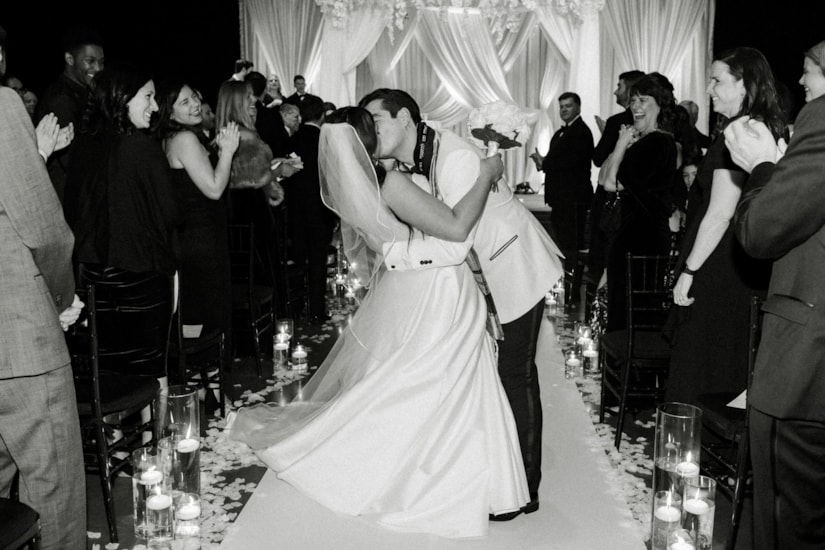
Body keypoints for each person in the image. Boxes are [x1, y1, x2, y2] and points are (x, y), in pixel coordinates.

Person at [230, 106, 528, 537]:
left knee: (431, 381)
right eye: (377, 125)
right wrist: (484, 175)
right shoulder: (393, 183)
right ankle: (455, 479)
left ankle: (487, 482)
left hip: (419, 287)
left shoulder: (368, 184)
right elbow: (457, 234)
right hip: (438, 289)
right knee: (442, 382)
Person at [361, 88, 564, 520]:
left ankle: (527, 489)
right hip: (483, 276)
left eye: (375, 121)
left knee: (515, 373)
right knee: (487, 378)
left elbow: (456, 237)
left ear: (403, 118)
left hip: (515, 267)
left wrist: (396, 258)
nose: (371, 131)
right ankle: (498, 478)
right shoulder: (407, 161)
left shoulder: (453, 157)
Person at [725, 39, 825, 550]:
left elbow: (763, 230)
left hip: (806, 367)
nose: (803, 84)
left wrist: (765, 169)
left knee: (790, 521)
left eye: (810, 71)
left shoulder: (823, 121)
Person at [0, 26, 86, 550]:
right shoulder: (3, 106)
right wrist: (61, 300)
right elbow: (44, 230)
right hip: (19, 336)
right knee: (51, 496)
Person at [666, 48, 783, 405]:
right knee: (725, 357)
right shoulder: (755, 127)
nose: (711, 89)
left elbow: (720, 213)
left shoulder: (740, 132)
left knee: (700, 359)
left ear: (745, 85)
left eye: (718, 80)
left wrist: (689, 270)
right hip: (737, 262)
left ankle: (693, 446)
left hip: (717, 264)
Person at [63, 64, 181, 380]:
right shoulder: (144, 148)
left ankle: (111, 431)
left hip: (92, 277)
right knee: (152, 368)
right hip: (143, 276)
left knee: (108, 370)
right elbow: (170, 213)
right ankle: (153, 431)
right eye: (149, 96)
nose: (155, 106)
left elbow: (72, 210)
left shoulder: (82, 147)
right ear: (122, 98)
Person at [154, 78, 240, 336]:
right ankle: (206, 370)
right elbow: (213, 189)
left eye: (194, 97)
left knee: (199, 309)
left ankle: (201, 371)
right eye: (185, 102)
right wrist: (227, 151)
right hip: (200, 240)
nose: (195, 104)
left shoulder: (175, 137)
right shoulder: (184, 139)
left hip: (195, 236)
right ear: (170, 111)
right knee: (206, 312)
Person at [600, 73, 679, 331]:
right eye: (633, 100)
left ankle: (626, 368)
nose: (635, 106)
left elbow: (610, 183)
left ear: (659, 104)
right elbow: (605, 177)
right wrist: (625, 146)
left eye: (643, 100)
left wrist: (622, 143)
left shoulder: (658, 142)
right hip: (636, 235)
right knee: (628, 311)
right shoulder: (647, 142)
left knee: (631, 314)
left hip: (641, 238)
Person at [587, 70, 645, 310]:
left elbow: (598, 158)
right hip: (636, 202)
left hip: (612, 198)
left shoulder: (616, 122)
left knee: (603, 254)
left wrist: (610, 138)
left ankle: (598, 309)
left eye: (619, 86)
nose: (615, 91)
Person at [530, 92, 594, 305]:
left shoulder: (582, 132)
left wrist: (545, 163)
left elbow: (570, 163)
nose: (564, 110)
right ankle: (567, 291)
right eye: (562, 107)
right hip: (560, 199)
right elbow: (556, 161)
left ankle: (573, 295)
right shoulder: (560, 133)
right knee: (565, 246)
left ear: (578, 107)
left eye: (568, 106)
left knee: (572, 248)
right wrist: (543, 161)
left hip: (574, 199)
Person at [280, 95, 337, 324]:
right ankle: (316, 311)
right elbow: (331, 179)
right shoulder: (325, 142)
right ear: (322, 115)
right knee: (317, 263)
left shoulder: (290, 141)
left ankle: (293, 310)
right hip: (319, 210)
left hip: (294, 211)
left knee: (296, 261)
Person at [36, 26, 104, 203]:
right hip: (71, 201)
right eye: (90, 61)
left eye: (101, 62)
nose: (98, 68)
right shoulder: (60, 99)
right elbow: (73, 161)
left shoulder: (86, 92)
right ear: (69, 59)